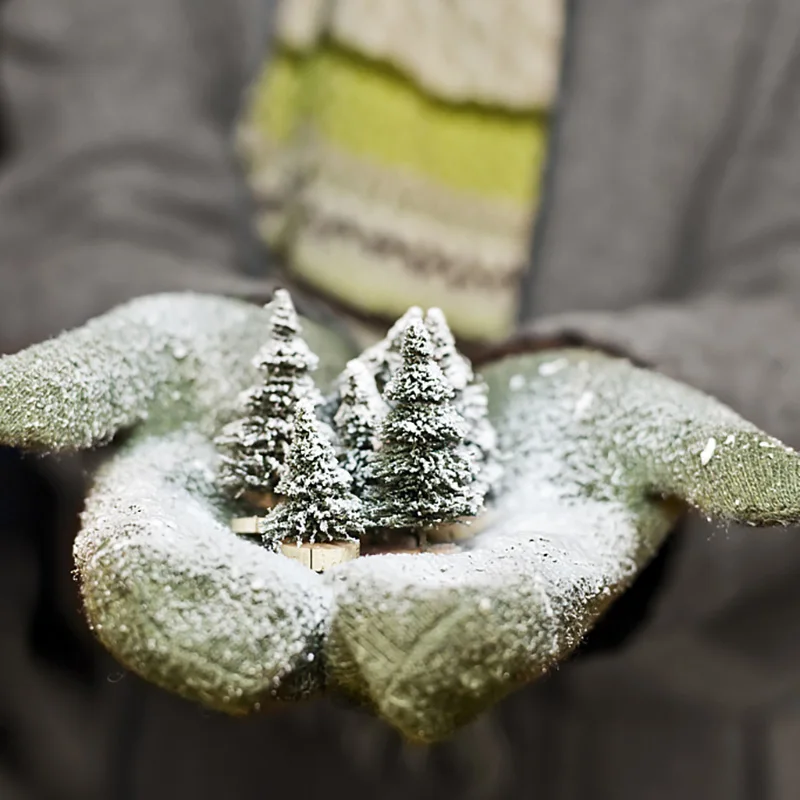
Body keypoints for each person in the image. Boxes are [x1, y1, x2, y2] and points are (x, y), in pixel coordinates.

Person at [1, 0, 800, 798]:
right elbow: (89, 188)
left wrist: (646, 403)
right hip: (174, 757)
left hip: (668, 755)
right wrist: (181, 330)